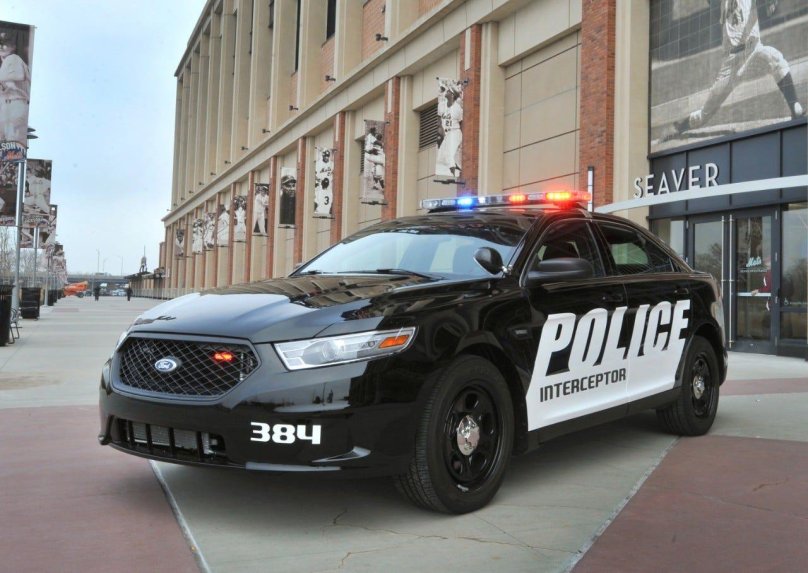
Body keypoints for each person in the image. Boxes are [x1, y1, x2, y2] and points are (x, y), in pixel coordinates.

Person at [660, 0, 804, 142]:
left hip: (754, 49)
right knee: (706, 113)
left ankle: (795, 106)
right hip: (731, 62)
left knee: (776, 59)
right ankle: (680, 127)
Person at [0, 30, 31, 145]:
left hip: (14, 105)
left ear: (13, 46)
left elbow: (17, 76)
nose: (1, 46)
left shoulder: (13, 58)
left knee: (11, 143)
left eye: (5, 43)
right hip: (10, 106)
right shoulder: (6, 62)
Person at [436, 85, 463, 178]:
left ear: (452, 95)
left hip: (455, 132)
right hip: (447, 134)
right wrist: (440, 129)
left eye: (448, 91)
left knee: (449, 154)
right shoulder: (441, 105)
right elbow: (439, 119)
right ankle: (459, 168)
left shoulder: (457, 108)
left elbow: (462, 123)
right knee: (442, 156)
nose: (446, 92)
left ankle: (454, 175)